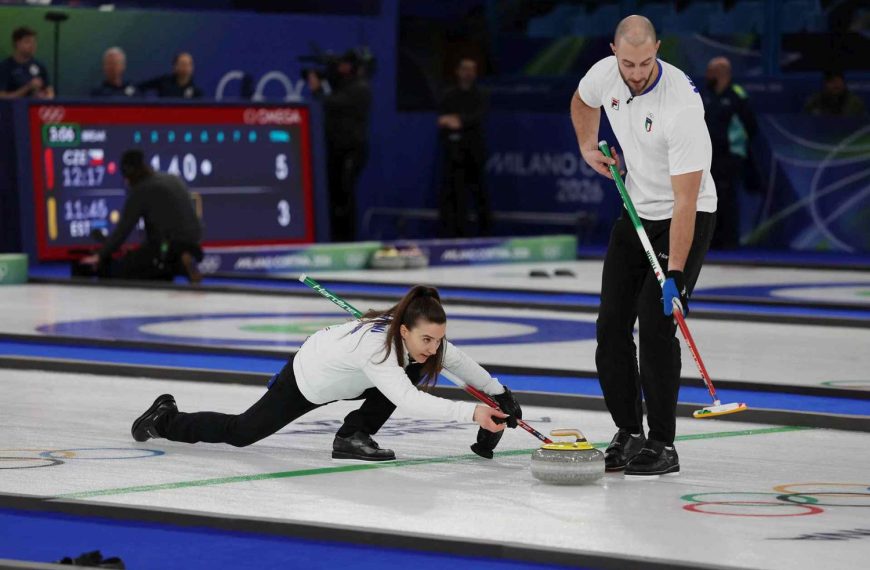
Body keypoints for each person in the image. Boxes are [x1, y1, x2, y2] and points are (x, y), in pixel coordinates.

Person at [130, 286, 524, 462]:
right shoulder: (379, 348)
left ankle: (353, 436)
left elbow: (457, 360)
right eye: (427, 338)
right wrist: (473, 413)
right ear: (404, 329)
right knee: (241, 433)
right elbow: (407, 400)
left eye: (438, 338)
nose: (434, 346)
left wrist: (498, 392)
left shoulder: (415, 337)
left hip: (348, 374)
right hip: (308, 377)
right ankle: (164, 419)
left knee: (419, 366)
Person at [570, 15, 716, 477]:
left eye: (645, 62)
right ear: (614, 50)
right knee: (611, 325)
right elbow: (581, 101)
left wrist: (675, 274)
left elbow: (686, 200)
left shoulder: (683, 108)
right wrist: (588, 145)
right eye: (628, 63)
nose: (636, 72)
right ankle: (628, 431)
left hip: (682, 216)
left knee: (656, 327)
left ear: (658, 49)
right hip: (635, 211)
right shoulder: (605, 73)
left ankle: (662, 443)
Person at [76, 149, 203, 282]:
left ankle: (175, 262)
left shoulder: (141, 189)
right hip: (194, 244)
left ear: (128, 174)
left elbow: (123, 231)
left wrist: (100, 255)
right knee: (156, 260)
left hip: (166, 248)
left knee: (114, 269)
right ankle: (180, 261)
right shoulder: (171, 178)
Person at [307, 50, 372, 242]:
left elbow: (332, 103)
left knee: (345, 195)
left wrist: (317, 89)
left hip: (352, 149)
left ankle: (347, 240)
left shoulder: (361, 88)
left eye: (343, 64)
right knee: (334, 195)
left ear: (352, 67)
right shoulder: (343, 84)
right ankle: (336, 237)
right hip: (335, 149)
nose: (339, 68)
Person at [703, 56, 757, 250]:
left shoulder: (737, 95)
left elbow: (751, 126)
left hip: (731, 154)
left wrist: (736, 145)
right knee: (709, 197)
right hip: (709, 156)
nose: (707, 75)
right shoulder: (706, 95)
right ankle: (712, 239)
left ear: (721, 73)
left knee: (727, 195)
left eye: (710, 72)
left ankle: (729, 241)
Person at [437, 58, 491, 238]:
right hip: (454, 153)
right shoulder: (449, 95)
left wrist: (459, 120)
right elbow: (442, 120)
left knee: (480, 194)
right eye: (465, 69)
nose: (468, 73)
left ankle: (485, 234)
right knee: (455, 195)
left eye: (472, 70)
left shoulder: (481, 94)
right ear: (457, 71)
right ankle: (455, 234)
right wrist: (453, 121)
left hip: (475, 152)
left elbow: (477, 116)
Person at [0, 26, 54, 99]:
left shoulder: (40, 66)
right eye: (27, 42)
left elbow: (50, 92)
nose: (32, 45)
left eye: (34, 42)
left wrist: (44, 97)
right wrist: (28, 87)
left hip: (35, 109)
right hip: (12, 109)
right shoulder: (5, 67)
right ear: (17, 44)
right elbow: (2, 97)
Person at [138, 52, 203, 99]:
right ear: (175, 66)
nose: (186, 67)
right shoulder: (164, 81)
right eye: (183, 64)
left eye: (189, 64)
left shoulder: (196, 92)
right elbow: (141, 87)